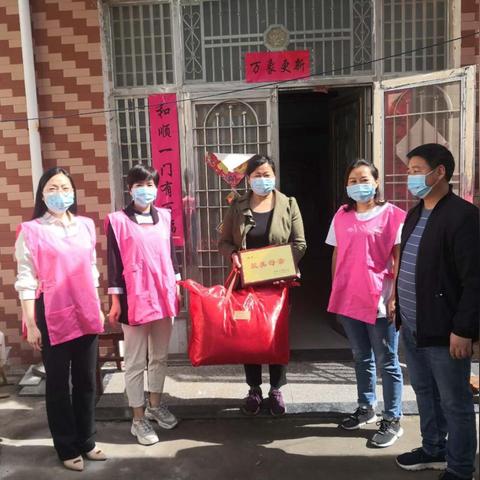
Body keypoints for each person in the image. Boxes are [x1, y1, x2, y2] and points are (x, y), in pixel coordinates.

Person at [395, 144, 479, 480]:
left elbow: (475, 280)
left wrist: (464, 330)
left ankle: (460, 469)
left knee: (455, 402)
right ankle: (433, 448)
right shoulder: (415, 214)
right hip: (414, 326)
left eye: (416, 170)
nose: (410, 177)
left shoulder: (463, 216)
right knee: (424, 392)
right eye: (409, 171)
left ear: (439, 171)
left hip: (446, 332)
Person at [14, 167, 106, 471]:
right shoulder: (31, 231)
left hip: (85, 308)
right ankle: (66, 446)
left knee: (86, 380)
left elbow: (91, 269)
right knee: (57, 383)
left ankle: (87, 440)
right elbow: (26, 280)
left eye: (65, 188)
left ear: (73, 193)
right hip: (52, 312)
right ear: (42, 194)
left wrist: (98, 304)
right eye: (52, 188)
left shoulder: (85, 226)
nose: (59, 194)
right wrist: (31, 323)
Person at [218, 154, 306, 416]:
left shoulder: (289, 204)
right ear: (248, 179)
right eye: (257, 175)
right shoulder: (237, 205)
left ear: (274, 176)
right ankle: (254, 388)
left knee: (276, 335)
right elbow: (224, 242)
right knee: (250, 335)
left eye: (267, 175)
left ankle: (276, 389)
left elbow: (300, 243)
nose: (262, 179)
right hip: (247, 282)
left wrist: (284, 266)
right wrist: (233, 255)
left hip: (277, 282)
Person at [326, 159, 406, 448]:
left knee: (388, 361)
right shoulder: (342, 215)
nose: (358, 185)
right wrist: (336, 288)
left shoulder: (392, 215)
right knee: (361, 356)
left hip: (379, 299)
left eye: (364, 180)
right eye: (353, 180)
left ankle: (393, 418)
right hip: (350, 297)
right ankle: (366, 407)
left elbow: (399, 257)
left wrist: (395, 296)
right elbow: (337, 253)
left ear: (376, 182)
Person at [106, 164, 181, 445]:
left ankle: (155, 405)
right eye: (139, 184)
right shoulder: (117, 221)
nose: (145, 189)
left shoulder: (164, 216)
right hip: (133, 298)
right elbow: (114, 263)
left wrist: (176, 286)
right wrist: (115, 301)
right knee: (136, 361)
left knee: (159, 356)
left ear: (157, 188)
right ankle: (138, 419)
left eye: (150, 184)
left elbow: (170, 255)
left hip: (162, 294)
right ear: (130, 189)